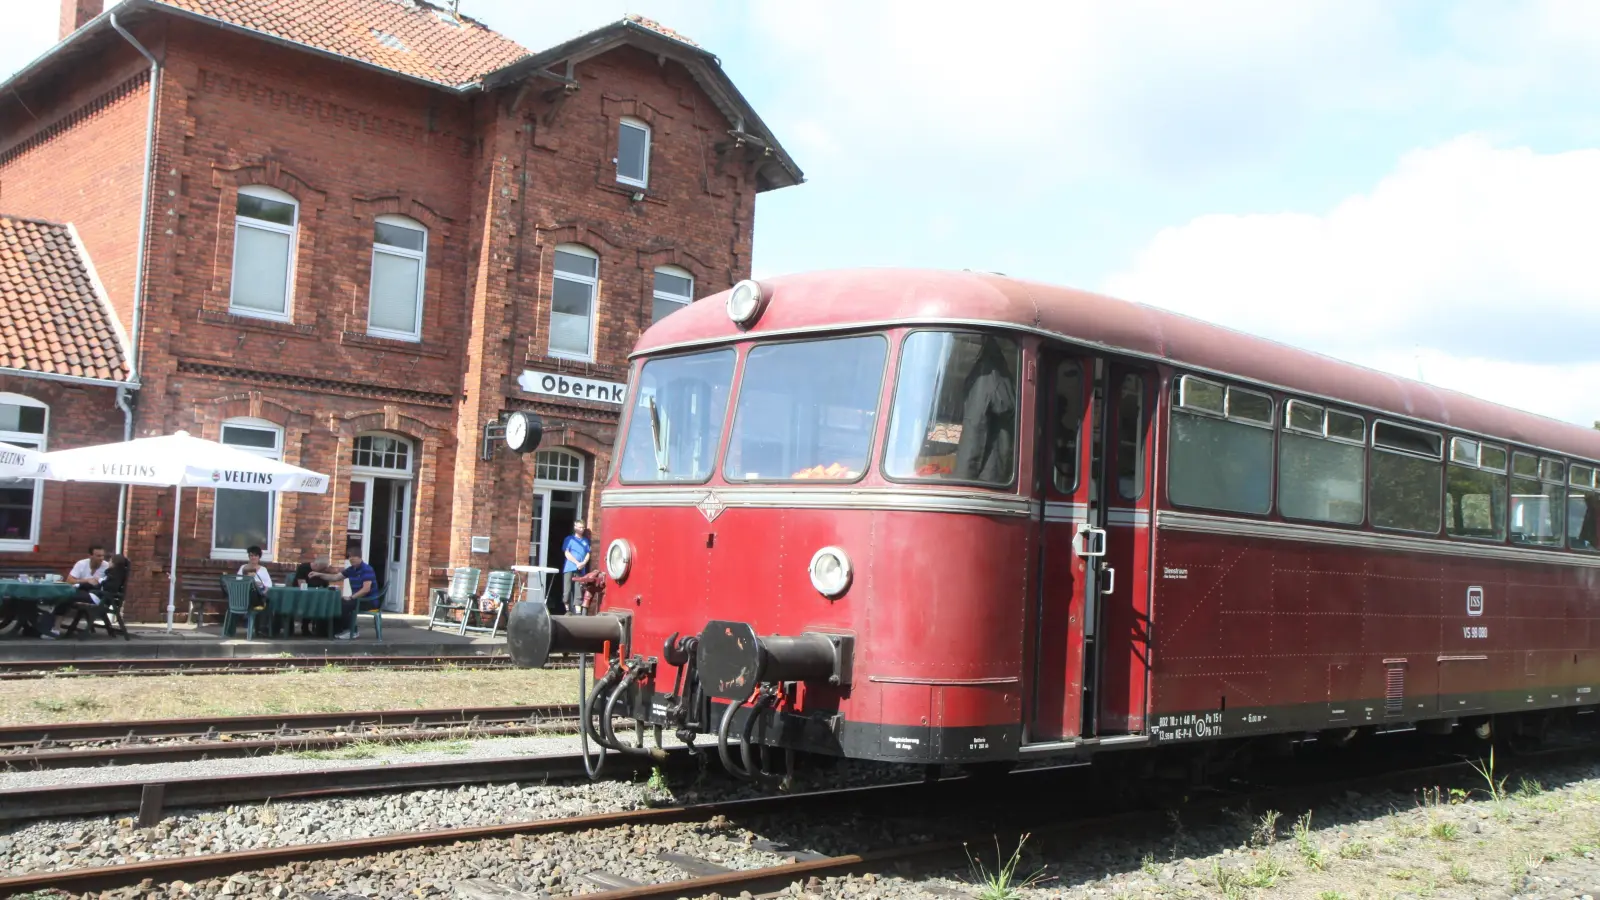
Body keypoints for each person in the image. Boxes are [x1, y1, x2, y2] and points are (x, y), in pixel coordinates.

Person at [41, 544, 112, 638]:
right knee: (64, 597)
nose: (101, 558)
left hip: (94, 595)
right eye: (98, 556)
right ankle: (49, 627)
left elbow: (108, 584)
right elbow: (69, 580)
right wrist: (86, 580)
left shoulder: (107, 567)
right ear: (90, 556)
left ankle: (54, 629)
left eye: (103, 556)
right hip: (80, 591)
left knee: (66, 597)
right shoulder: (81, 564)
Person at [324, 552, 379, 640]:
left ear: (360, 557)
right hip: (357, 599)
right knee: (336, 603)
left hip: (368, 601)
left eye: (354, 556)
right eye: (349, 557)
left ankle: (352, 631)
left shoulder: (367, 569)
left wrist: (350, 598)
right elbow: (335, 577)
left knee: (344, 605)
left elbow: (366, 589)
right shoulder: (351, 569)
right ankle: (337, 631)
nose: (351, 559)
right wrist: (319, 575)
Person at [560, 521, 591, 616]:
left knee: (579, 589)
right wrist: (577, 563)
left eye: (583, 528)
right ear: (575, 527)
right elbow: (566, 553)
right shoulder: (569, 539)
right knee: (567, 589)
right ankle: (567, 610)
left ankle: (578, 611)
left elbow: (588, 553)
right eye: (580, 527)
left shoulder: (586, 541)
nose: (581, 529)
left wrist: (583, 563)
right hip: (569, 567)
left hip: (581, 569)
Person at [238, 545, 272, 609]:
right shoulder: (243, 567)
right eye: (251, 555)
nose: (253, 557)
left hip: (259, 594)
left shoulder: (263, 569)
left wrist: (262, 586)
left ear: (259, 557)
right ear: (249, 556)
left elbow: (269, 584)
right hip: (244, 594)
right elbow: (238, 581)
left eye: (256, 555)